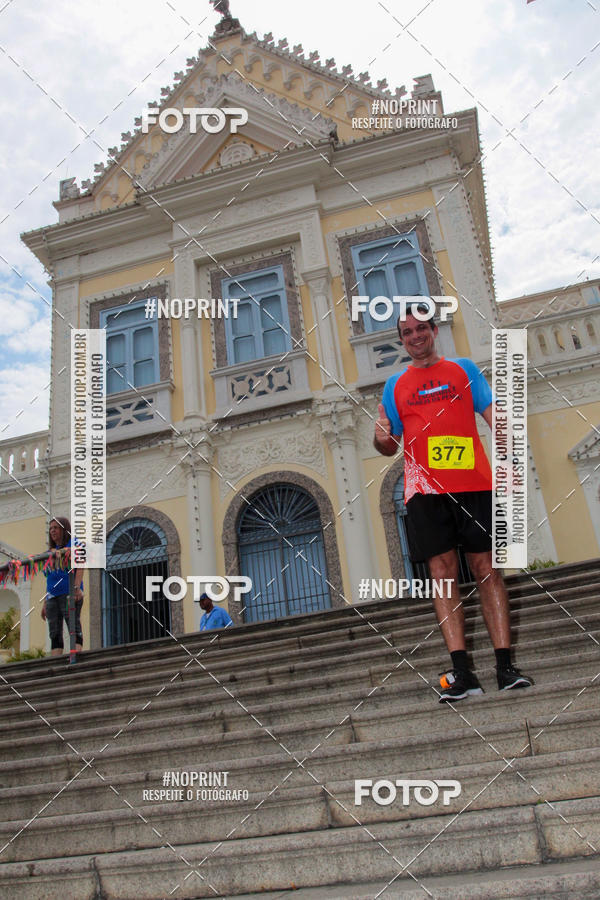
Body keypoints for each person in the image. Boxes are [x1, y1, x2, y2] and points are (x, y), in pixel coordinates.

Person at [374, 305, 532, 702]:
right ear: (402, 341)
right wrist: (379, 433)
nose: (415, 336)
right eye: (407, 332)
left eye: (421, 328)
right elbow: (387, 445)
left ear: (434, 331)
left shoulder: (463, 370)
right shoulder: (394, 386)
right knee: (442, 574)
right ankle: (462, 673)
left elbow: (493, 413)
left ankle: (505, 667)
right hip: (425, 492)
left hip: (474, 484)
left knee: (487, 570)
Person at [41, 517, 84, 656]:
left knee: (73, 625)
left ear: (64, 529)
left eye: (56, 527)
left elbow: (80, 565)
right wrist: (45, 601)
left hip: (69, 592)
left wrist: (77, 588)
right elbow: (49, 577)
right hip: (52, 595)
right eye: (51, 528)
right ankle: (56, 660)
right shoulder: (51, 551)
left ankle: (75, 656)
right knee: (54, 631)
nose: (53, 530)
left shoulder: (74, 543)